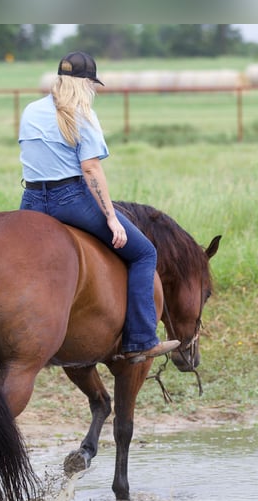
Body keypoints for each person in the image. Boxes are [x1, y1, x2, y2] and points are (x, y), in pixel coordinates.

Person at [18, 51, 179, 363]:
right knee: (144, 253)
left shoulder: (30, 110)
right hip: (71, 200)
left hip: (32, 201)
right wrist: (112, 218)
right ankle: (142, 339)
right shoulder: (83, 115)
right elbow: (91, 169)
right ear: (85, 85)